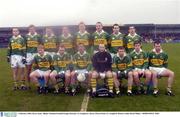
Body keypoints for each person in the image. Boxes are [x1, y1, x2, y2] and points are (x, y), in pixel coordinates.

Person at [25, 24, 42, 89]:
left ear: (35, 29)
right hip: (28, 54)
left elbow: (40, 45)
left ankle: (40, 84)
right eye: (30, 29)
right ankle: (28, 85)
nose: (31, 30)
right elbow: (24, 46)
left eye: (33, 29)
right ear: (29, 30)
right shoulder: (26, 36)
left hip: (36, 54)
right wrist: (24, 55)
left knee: (39, 69)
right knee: (28, 70)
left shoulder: (38, 36)